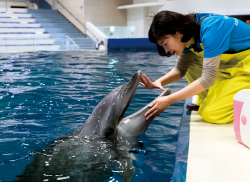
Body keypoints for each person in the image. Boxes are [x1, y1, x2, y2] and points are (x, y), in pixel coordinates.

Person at [140, 11, 250, 124]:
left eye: (165, 43)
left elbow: (208, 78)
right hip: (236, 65)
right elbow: (180, 69)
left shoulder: (212, 28)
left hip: (247, 66)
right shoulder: (188, 36)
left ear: (177, 33)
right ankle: (207, 100)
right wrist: (158, 82)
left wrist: (169, 100)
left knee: (212, 113)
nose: (166, 50)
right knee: (191, 63)